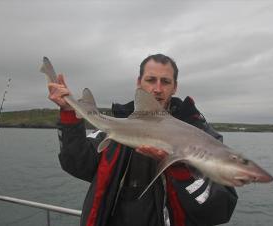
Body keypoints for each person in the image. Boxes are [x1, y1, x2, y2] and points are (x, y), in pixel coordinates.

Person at [48, 54, 237, 226]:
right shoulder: (117, 126)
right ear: (139, 82)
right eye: (150, 80)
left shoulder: (202, 136)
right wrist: (68, 113)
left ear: (175, 87)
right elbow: (76, 163)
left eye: (165, 81)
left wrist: (181, 171)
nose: (157, 89)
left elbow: (221, 210)